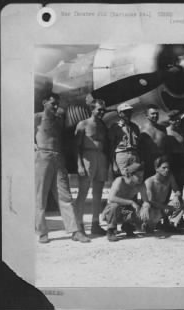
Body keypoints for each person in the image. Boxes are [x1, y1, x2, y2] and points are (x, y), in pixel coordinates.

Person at [34, 93, 89, 243]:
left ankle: (75, 231)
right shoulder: (36, 118)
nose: (56, 107)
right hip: (42, 157)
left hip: (58, 158)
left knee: (65, 196)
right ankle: (42, 232)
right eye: (53, 104)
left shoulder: (59, 120)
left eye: (57, 104)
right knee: (40, 197)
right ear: (44, 102)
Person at [74, 98, 108, 236]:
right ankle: (79, 226)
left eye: (103, 109)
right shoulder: (83, 124)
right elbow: (76, 147)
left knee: (98, 193)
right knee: (83, 193)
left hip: (101, 158)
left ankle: (95, 224)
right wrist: (79, 164)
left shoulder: (103, 125)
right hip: (87, 158)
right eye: (99, 109)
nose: (102, 112)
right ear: (92, 109)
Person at [101, 163, 148, 242]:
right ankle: (111, 230)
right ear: (130, 175)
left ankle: (128, 226)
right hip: (113, 212)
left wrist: (146, 207)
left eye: (142, 176)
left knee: (140, 209)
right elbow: (111, 198)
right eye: (138, 176)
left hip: (125, 211)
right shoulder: (120, 180)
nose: (141, 178)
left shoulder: (140, 185)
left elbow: (146, 201)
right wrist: (131, 202)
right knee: (114, 206)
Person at [142, 156, 184, 232]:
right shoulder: (149, 182)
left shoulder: (170, 177)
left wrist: (176, 196)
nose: (167, 170)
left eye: (168, 167)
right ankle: (147, 223)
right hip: (153, 208)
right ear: (156, 168)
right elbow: (151, 201)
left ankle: (171, 224)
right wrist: (167, 207)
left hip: (163, 206)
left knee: (181, 202)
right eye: (164, 168)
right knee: (149, 228)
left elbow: (177, 190)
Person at [108, 102, 140, 177]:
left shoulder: (135, 127)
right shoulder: (115, 127)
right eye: (125, 112)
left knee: (134, 179)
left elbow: (139, 144)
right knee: (121, 180)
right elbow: (111, 146)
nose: (128, 114)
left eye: (129, 111)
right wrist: (114, 164)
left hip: (134, 155)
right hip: (121, 155)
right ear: (120, 114)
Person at [139, 104, 168, 178]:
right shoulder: (142, 130)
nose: (155, 115)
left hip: (162, 162)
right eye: (152, 114)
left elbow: (166, 146)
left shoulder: (163, 128)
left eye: (157, 113)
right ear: (147, 115)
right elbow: (140, 149)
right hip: (149, 163)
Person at [166, 110, 184, 192]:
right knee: (171, 183)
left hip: (182, 157)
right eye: (174, 120)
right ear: (170, 121)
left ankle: (179, 201)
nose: (177, 121)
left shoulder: (181, 131)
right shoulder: (166, 131)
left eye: (178, 119)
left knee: (181, 183)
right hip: (171, 159)